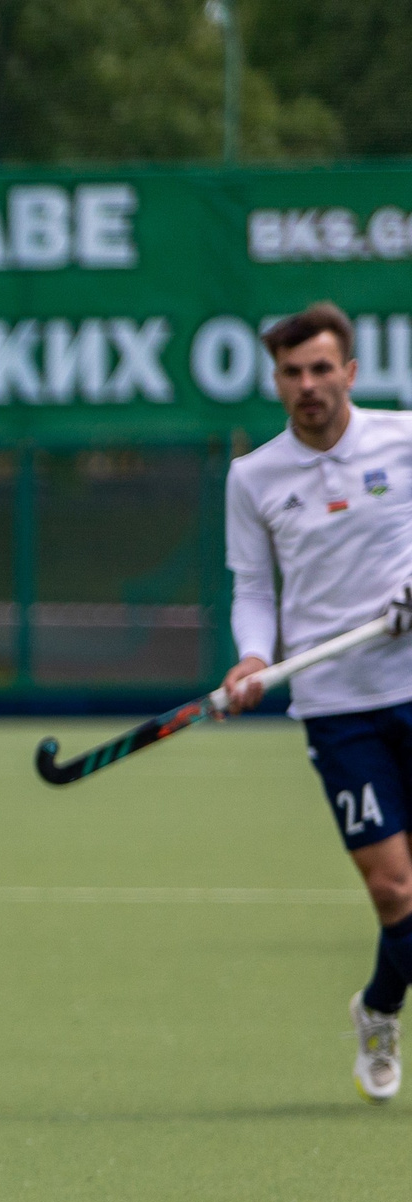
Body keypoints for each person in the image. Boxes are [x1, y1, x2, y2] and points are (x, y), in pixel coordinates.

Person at [218, 301, 412, 1102]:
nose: (308, 385)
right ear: (276, 381)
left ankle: (379, 999)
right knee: (396, 889)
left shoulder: (403, 441)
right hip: (338, 705)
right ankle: (379, 1011)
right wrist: (254, 658)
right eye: (292, 372)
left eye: (321, 368)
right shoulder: (254, 477)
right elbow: (255, 588)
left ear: (351, 372)